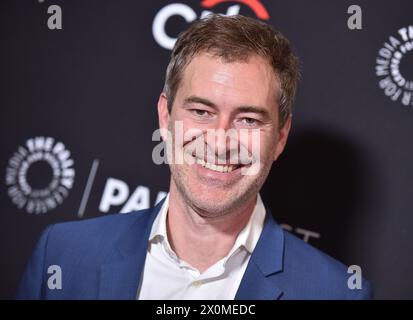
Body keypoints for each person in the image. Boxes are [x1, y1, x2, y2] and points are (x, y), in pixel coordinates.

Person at [17, 14, 372, 300]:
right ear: (164, 116)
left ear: (280, 136)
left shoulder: (335, 293)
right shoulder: (62, 256)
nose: (220, 143)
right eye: (201, 111)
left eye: (248, 119)